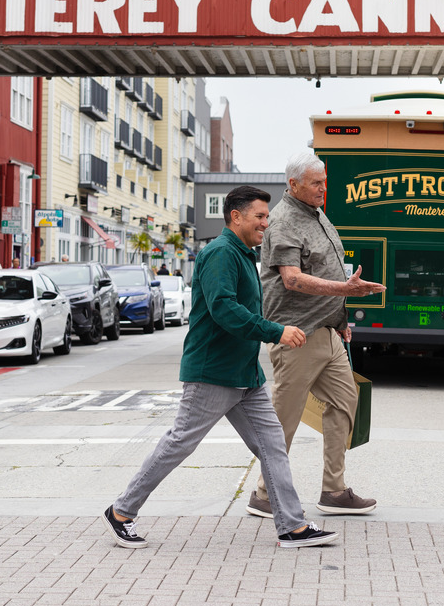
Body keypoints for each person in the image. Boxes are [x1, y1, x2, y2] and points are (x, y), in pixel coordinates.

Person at [106, 185, 336, 551]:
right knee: (179, 443)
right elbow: (224, 309)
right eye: (260, 216)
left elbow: (250, 307)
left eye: (267, 216)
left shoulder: (244, 254)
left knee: (273, 446)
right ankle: (122, 510)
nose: (266, 223)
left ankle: (292, 527)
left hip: (245, 375)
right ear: (236, 216)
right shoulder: (220, 254)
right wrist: (275, 331)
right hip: (213, 372)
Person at [248, 151, 386, 519]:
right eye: (316, 183)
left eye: (324, 182)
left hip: (327, 333)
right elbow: (291, 279)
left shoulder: (316, 213)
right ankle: (264, 494)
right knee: (285, 418)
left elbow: (325, 269)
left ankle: (334, 490)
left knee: (345, 401)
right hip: (296, 335)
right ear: (293, 184)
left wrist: (339, 317)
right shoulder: (282, 221)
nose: (324, 188)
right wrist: (346, 291)